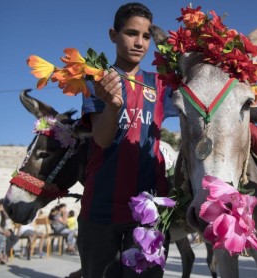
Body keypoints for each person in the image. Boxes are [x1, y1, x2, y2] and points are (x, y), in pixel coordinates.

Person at [78, 3, 178, 278]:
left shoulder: (161, 84)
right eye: (131, 33)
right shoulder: (96, 80)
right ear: (113, 35)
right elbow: (101, 137)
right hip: (100, 208)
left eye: (146, 36)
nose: (139, 42)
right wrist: (112, 105)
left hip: (149, 212)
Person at [0, 199, 11, 264]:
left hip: (2, 230)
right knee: (2, 237)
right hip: (0, 232)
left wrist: (4, 212)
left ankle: (2, 255)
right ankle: (2, 255)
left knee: (5, 237)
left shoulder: (2, 214)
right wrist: (4, 232)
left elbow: (8, 218)